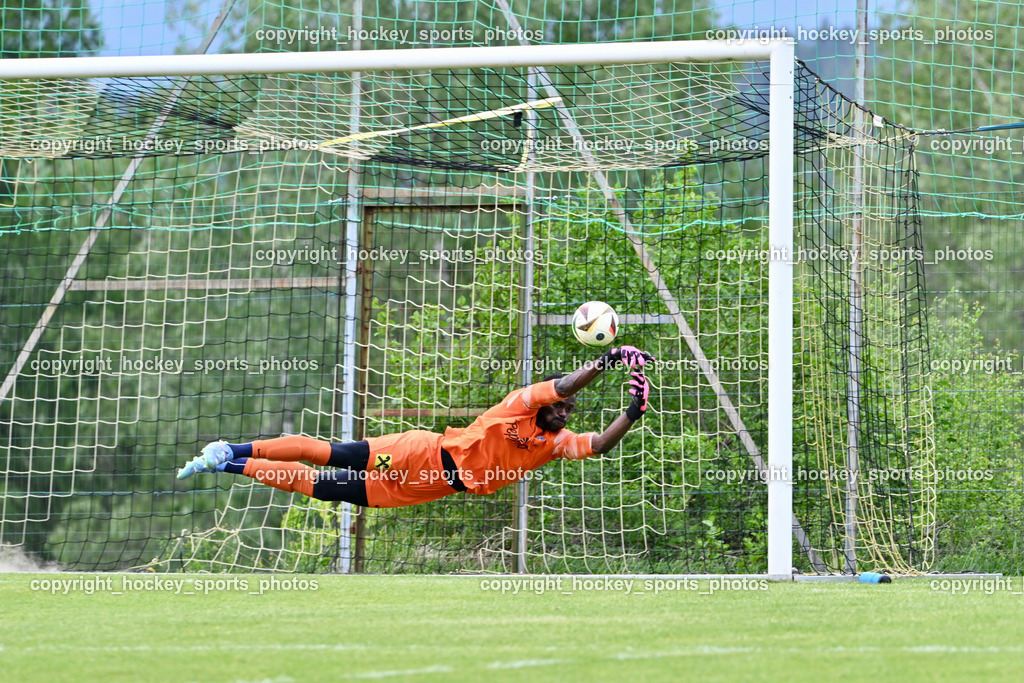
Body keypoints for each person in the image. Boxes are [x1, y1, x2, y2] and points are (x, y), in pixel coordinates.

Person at [176, 346, 653, 508]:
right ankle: (229, 447)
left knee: (319, 488)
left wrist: (632, 411)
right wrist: (606, 361)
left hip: (431, 488)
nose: (567, 410)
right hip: (423, 455)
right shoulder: (518, 405)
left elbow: (602, 445)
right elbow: (566, 383)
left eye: (570, 410)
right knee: (327, 454)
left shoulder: (555, 444)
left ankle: (230, 467)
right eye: (563, 405)